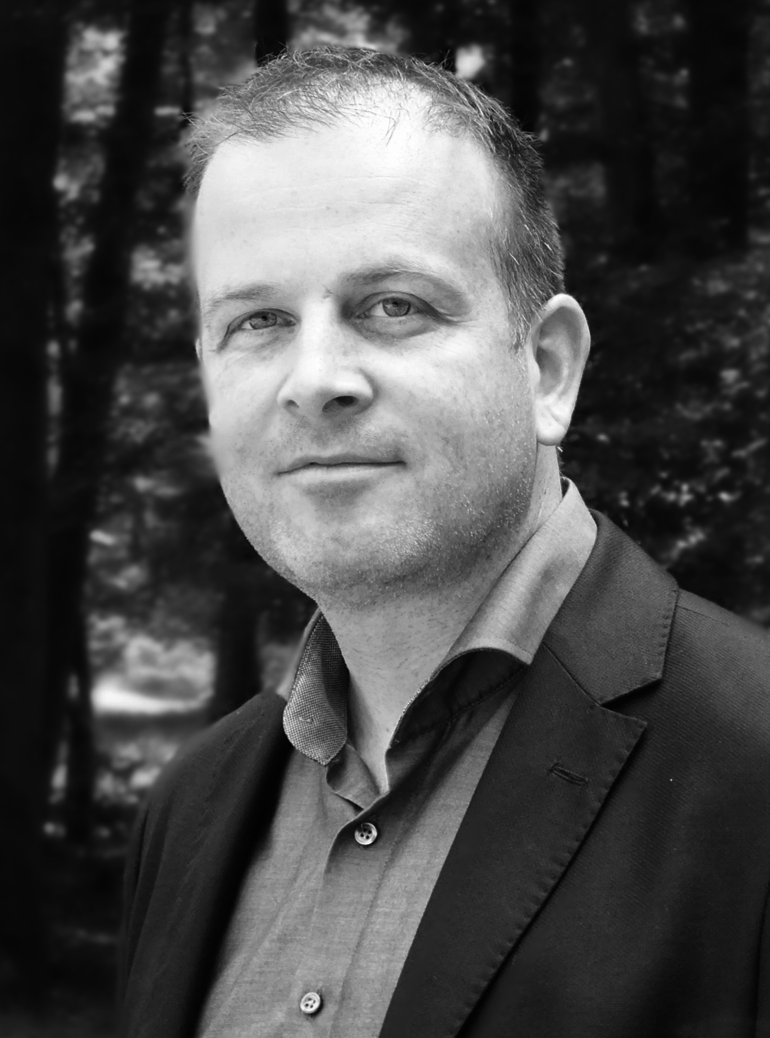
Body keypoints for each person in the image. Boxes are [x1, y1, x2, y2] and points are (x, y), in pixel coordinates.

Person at [119, 48, 770, 1038]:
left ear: (547, 370)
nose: (314, 379)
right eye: (258, 321)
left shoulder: (751, 768)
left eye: (394, 305)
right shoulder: (187, 810)